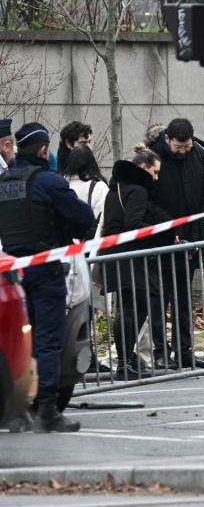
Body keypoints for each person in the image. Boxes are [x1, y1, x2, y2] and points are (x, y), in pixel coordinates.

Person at [0, 122, 95, 433]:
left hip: (11, 274)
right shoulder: (48, 181)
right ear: (43, 150)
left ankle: (18, 411)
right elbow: (84, 218)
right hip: (45, 271)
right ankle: (48, 410)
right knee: (48, 340)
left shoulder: (3, 183)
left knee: (19, 341)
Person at [100, 144, 175, 380]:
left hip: (117, 254)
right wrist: (163, 233)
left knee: (134, 305)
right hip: (128, 255)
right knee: (132, 307)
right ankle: (124, 361)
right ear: (143, 167)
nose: (156, 177)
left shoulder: (118, 188)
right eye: (154, 172)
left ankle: (127, 358)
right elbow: (133, 224)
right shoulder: (137, 191)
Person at [146, 118, 204, 369]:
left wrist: (202, 214)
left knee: (184, 297)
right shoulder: (152, 155)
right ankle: (160, 350)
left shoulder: (197, 153)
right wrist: (168, 226)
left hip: (191, 237)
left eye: (186, 145)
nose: (183, 151)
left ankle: (184, 350)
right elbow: (146, 199)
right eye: (178, 146)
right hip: (163, 238)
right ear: (167, 139)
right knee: (160, 298)